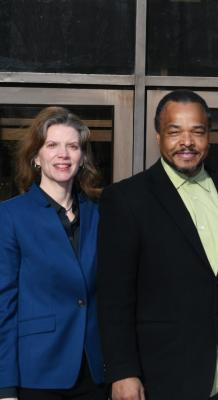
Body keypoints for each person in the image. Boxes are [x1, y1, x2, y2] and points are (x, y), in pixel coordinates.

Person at [97, 90, 218, 400]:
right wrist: (123, 371)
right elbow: (114, 296)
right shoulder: (126, 199)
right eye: (175, 131)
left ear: (209, 136)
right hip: (163, 377)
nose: (187, 141)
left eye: (197, 131)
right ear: (158, 136)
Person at [0, 107, 105, 399]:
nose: (64, 154)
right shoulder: (9, 216)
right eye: (52, 145)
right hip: (37, 372)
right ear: (36, 156)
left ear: (82, 158)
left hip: (94, 372)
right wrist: (4, 386)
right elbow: (3, 305)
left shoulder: (101, 215)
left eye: (73, 146)